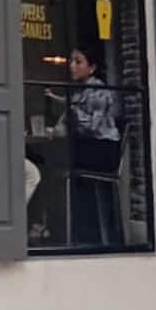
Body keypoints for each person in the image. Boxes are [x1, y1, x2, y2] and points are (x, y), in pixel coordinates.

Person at [49, 45, 123, 249]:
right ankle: (68, 228)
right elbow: (66, 122)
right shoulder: (78, 92)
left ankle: (69, 229)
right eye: (71, 61)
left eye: (78, 61)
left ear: (92, 68)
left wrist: (72, 112)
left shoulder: (99, 90)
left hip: (104, 149)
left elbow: (93, 126)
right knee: (52, 158)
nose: (72, 66)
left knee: (57, 160)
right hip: (89, 146)